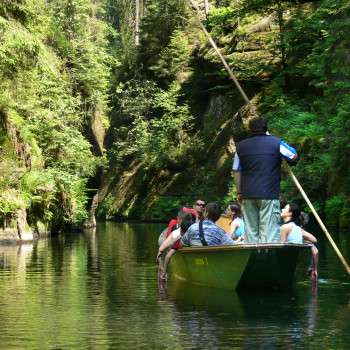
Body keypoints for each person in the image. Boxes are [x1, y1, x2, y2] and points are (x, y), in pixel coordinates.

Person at [232, 116, 298, 243]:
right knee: (269, 233)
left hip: (248, 194)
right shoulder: (276, 142)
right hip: (269, 194)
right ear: (266, 128)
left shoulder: (240, 147)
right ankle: (268, 260)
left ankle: (254, 260)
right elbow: (293, 156)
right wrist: (274, 140)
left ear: (250, 129)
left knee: (250, 233)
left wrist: (240, 192)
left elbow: (236, 171)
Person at [280, 202, 318, 281]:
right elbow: (314, 240)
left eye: (285, 208)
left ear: (290, 213)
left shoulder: (284, 227)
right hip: (293, 262)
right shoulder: (298, 229)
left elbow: (280, 246)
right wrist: (303, 239)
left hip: (284, 262)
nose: (282, 209)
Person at [157, 212, 196, 281]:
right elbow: (162, 252)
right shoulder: (177, 236)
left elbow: (165, 254)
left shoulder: (183, 236)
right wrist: (163, 269)